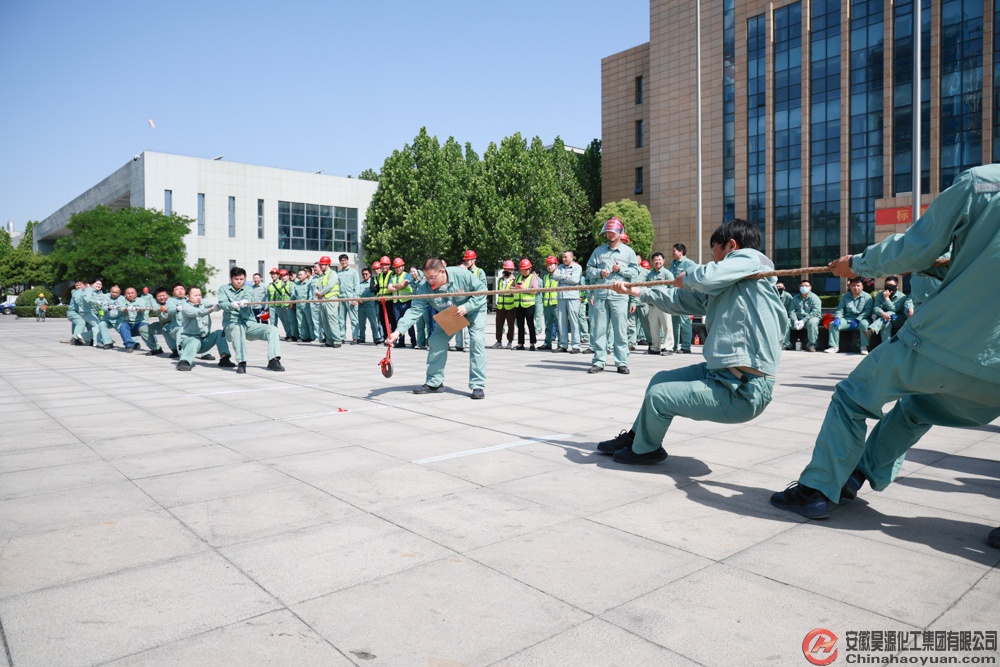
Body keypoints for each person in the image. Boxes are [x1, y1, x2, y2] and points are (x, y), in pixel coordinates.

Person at [769, 165, 1000, 551]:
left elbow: (918, 247)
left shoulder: (985, 183)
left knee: (852, 397)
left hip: (945, 340)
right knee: (918, 408)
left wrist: (857, 265)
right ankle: (856, 475)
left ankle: (816, 489)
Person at [596, 219, 784, 464]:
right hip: (723, 374)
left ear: (732, 246)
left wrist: (688, 277)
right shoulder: (728, 286)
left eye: (714, 250)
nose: (713, 257)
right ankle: (637, 437)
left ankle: (646, 450)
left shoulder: (751, 260)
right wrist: (635, 291)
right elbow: (679, 301)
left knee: (660, 396)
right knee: (659, 380)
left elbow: (704, 277)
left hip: (744, 388)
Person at [388, 257, 487, 399]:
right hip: (453, 312)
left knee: (476, 340)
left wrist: (467, 307)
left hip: (474, 309)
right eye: (426, 277)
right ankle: (435, 383)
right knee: (436, 341)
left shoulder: (461, 274)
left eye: (432, 277)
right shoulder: (425, 287)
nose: (429, 281)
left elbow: (482, 290)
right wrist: (398, 332)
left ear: (442, 272)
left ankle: (478, 385)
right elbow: (415, 310)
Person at [586, 217, 638, 374]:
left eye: (614, 231)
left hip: (620, 296)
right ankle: (599, 361)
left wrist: (621, 270)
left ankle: (621, 362)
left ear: (620, 232)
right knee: (600, 330)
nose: (610, 234)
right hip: (601, 295)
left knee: (620, 331)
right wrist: (599, 273)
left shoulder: (628, 252)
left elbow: (635, 272)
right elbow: (589, 269)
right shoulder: (598, 251)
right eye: (608, 231)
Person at [218, 266, 284, 373]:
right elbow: (222, 303)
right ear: (231, 278)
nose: (239, 281)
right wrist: (231, 305)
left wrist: (245, 301)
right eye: (236, 279)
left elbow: (249, 297)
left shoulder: (249, 289)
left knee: (272, 329)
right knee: (238, 328)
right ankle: (242, 362)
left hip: (249, 324)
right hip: (232, 324)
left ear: (245, 278)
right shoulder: (223, 289)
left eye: (241, 279)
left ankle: (273, 360)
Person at [176, 287, 236, 371]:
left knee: (219, 333)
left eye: (200, 295)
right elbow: (197, 312)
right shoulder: (185, 306)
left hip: (204, 341)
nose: (198, 297)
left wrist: (230, 303)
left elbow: (215, 304)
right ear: (188, 297)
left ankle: (224, 359)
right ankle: (184, 361)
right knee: (195, 341)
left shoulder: (203, 302)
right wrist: (212, 309)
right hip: (189, 340)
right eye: (195, 295)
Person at [825, 277, 874, 355]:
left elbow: (867, 311)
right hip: (847, 319)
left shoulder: (867, 297)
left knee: (864, 325)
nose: (856, 287)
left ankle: (864, 347)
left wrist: (857, 319)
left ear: (862, 287)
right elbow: (840, 309)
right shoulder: (845, 297)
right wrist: (837, 317)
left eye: (858, 285)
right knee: (833, 324)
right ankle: (834, 347)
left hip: (862, 319)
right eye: (853, 285)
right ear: (850, 286)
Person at [453, 250, 487, 352]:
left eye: (469, 260)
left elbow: (483, 288)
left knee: (473, 326)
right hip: (464, 301)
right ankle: (459, 344)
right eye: (466, 260)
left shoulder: (479, 272)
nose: (467, 262)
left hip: (476, 303)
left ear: (474, 260)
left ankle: (469, 345)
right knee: (459, 323)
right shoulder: (464, 271)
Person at [669, 243, 699, 353]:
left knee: (685, 322)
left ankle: (686, 347)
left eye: (674, 251)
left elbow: (696, 275)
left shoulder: (689, 263)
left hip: (685, 296)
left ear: (681, 252)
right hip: (674, 296)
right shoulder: (673, 263)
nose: (672, 253)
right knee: (675, 322)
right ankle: (674, 346)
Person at [644, 252, 675, 355]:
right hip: (653, 305)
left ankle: (668, 347)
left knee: (667, 327)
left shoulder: (667, 274)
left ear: (663, 261)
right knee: (654, 327)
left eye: (659, 260)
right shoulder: (650, 275)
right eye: (655, 260)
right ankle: (655, 347)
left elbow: (673, 288)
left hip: (664, 305)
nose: (657, 262)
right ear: (652, 262)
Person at [867, 276, 913, 345]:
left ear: (897, 286)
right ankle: (885, 346)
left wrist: (886, 298)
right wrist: (883, 314)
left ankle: (872, 329)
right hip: (884, 319)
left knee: (890, 313)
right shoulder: (880, 295)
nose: (889, 287)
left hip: (897, 319)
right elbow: (876, 308)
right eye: (887, 285)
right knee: (886, 323)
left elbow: (894, 309)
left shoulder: (901, 296)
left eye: (891, 285)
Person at [552, 251, 583, 354]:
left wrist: (562, 278)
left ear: (572, 257)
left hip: (572, 297)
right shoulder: (560, 267)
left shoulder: (577, 267)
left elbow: (574, 280)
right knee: (561, 322)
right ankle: (563, 345)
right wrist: (566, 276)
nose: (564, 259)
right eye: (563, 257)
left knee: (574, 321)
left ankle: (576, 345)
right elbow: (554, 276)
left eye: (566, 257)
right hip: (561, 297)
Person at [386, 257, 416, 348]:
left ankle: (413, 341)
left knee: (408, 322)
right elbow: (389, 288)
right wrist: (399, 286)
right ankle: (401, 341)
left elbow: (404, 285)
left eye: (399, 266)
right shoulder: (393, 277)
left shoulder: (407, 275)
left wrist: (395, 286)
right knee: (398, 323)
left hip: (406, 302)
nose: (398, 268)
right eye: (396, 267)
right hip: (396, 302)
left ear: (403, 266)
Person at [314, 255, 343, 348]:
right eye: (320, 264)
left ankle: (337, 340)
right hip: (323, 300)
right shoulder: (321, 276)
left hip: (331, 299)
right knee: (324, 321)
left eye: (322, 264)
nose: (321, 266)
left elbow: (330, 285)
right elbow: (317, 287)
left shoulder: (332, 273)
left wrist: (320, 293)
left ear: (327, 265)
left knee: (332, 319)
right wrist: (317, 293)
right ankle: (329, 340)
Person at [788, 279, 822, 352]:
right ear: (799, 287)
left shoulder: (815, 298)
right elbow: (791, 311)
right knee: (786, 321)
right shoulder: (795, 298)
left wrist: (803, 320)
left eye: (806, 286)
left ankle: (812, 344)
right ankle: (786, 344)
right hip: (798, 319)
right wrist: (795, 320)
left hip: (810, 318)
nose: (804, 287)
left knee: (812, 323)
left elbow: (816, 312)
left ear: (810, 287)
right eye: (802, 286)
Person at [513, 258, 540, 350]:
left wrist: (524, 289)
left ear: (529, 269)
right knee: (520, 325)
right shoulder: (517, 277)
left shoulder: (533, 278)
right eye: (522, 270)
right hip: (518, 304)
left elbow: (535, 291)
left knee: (530, 324)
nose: (523, 271)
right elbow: (512, 288)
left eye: (525, 269)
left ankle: (532, 343)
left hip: (529, 305)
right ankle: (520, 344)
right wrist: (516, 288)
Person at [117, 287, 152, 352]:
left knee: (147, 328)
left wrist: (139, 309)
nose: (130, 295)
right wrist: (126, 309)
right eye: (128, 293)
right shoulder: (122, 300)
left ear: (136, 293)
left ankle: (154, 346)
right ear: (125, 294)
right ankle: (129, 345)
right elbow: (121, 308)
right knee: (122, 326)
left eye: (132, 293)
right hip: (127, 323)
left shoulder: (141, 300)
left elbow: (142, 308)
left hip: (140, 322)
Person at [492, 260, 517, 349]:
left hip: (510, 306)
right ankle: (498, 341)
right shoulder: (500, 280)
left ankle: (510, 341)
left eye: (509, 269)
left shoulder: (514, 280)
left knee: (511, 325)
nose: (507, 271)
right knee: (499, 325)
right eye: (506, 269)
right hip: (500, 306)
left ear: (512, 270)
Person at [356, 266, 383, 345]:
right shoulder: (360, 284)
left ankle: (376, 338)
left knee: (373, 323)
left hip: (370, 305)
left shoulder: (373, 282)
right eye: (363, 274)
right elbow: (357, 293)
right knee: (361, 323)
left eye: (366, 274)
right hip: (361, 306)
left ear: (370, 274)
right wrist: (358, 299)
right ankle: (362, 337)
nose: (364, 276)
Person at [537, 256, 559, 350]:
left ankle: (561, 344)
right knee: (548, 326)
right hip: (547, 305)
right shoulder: (545, 277)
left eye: (551, 265)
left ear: (556, 265)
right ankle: (547, 343)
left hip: (557, 305)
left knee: (560, 326)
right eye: (548, 265)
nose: (549, 267)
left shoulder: (559, 276)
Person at [337, 254, 360, 344]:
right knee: (341, 319)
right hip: (341, 299)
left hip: (351, 299)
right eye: (342, 261)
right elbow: (337, 287)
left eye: (345, 260)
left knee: (354, 319)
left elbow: (356, 286)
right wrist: (337, 300)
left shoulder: (353, 272)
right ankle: (342, 337)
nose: (343, 262)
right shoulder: (338, 273)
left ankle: (355, 337)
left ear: (348, 260)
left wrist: (355, 298)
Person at [96, 284, 125, 349]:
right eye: (112, 292)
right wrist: (108, 307)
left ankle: (133, 342)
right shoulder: (105, 296)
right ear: (110, 291)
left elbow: (123, 308)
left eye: (116, 292)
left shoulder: (122, 298)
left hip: (118, 319)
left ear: (120, 292)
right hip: (107, 318)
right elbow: (103, 307)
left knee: (123, 330)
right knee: (102, 324)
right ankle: (108, 343)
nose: (114, 294)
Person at [409, 265, 431, 350]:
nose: (413, 273)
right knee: (419, 325)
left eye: (414, 271)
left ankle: (429, 343)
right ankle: (420, 342)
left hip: (426, 304)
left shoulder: (424, 279)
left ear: (418, 271)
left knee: (428, 325)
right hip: (417, 306)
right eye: (411, 272)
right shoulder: (412, 282)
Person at [291, 269, 314, 342]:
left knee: (310, 322)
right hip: (299, 306)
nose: (299, 276)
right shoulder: (295, 284)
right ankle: (303, 337)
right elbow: (293, 295)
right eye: (298, 275)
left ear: (306, 275)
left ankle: (312, 337)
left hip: (307, 306)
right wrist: (291, 303)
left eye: (301, 275)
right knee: (301, 322)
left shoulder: (309, 283)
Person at [67, 280, 92, 345]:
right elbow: (80, 303)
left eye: (80, 285)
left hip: (80, 312)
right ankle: (75, 338)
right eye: (76, 285)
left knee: (89, 322)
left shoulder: (84, 291)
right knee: (81, 322)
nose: (78, 286)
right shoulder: (76, 292)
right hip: (73, 312)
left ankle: (92, 338)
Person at [279, 269, 298, 341]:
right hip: (284, 305)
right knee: (286, 321)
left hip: (289, 305)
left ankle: (294, 335)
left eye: (285, 276)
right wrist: (281, 306)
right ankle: (289, 334)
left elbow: (293, 294)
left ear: (288, 276)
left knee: (292, 321)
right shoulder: (282, 285)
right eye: (282, 276)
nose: (283, 278)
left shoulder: (291, 284)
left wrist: (291, 303)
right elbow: (282, 296)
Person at [775, 281, 794, 349]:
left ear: (784, 287)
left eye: (780, 287)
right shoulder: (771, 294)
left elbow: (791, 309)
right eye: (777, 287)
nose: (778, 288)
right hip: (774, 317)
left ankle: (785, 344)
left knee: (786, 322)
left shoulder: (788, 296)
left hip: (786, 317)